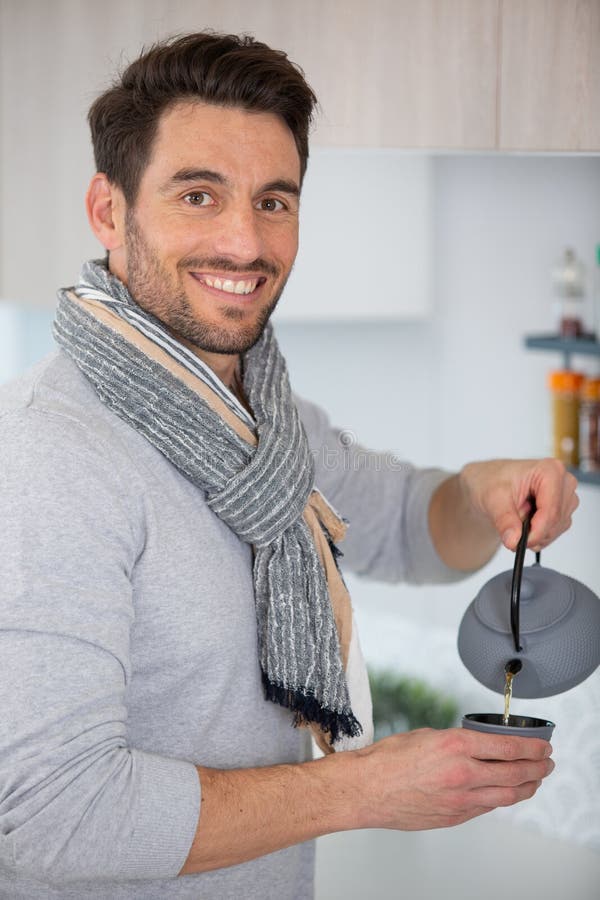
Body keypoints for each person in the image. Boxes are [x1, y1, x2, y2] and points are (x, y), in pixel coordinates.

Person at [0, 31, 576, 900]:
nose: (245, 243)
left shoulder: (267, 425)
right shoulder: (50, 455)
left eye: (275, 201)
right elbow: (49, 812)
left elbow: (412, 529)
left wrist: (483, 490)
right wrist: (367, 788)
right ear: (108, 210)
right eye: (199, 195)